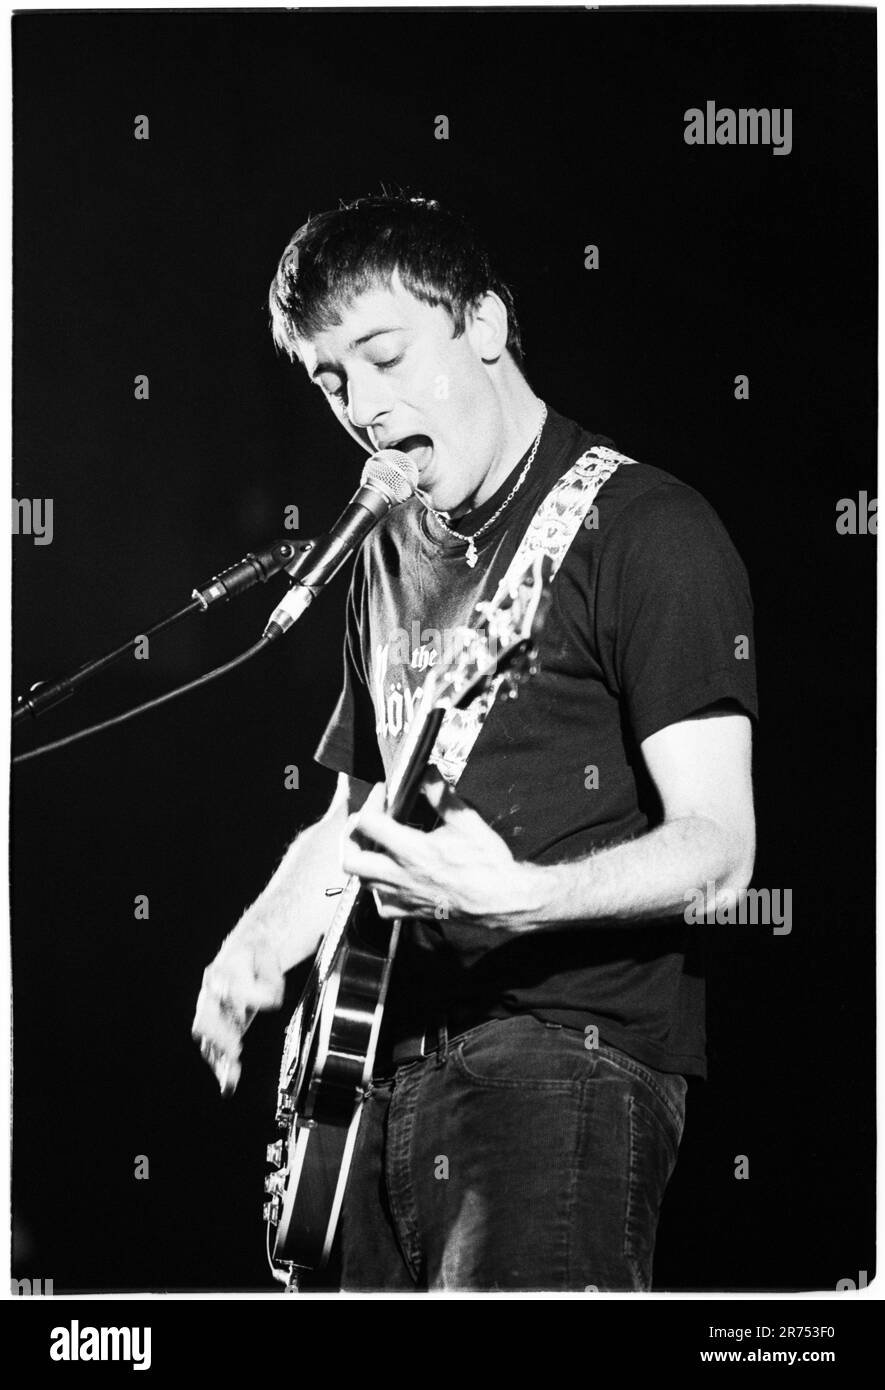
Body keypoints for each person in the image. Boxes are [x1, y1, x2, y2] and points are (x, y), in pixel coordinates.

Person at [192, 193, 758, 1292]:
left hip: (561, 1061)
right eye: (331, 379)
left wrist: (524, 897)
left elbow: (723, 849)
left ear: (487, 326)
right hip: (369, 1082)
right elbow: (354, 819)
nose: (361, 404)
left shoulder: (647, 529)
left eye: (386, 355)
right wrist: (260, 941)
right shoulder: (385, 550)